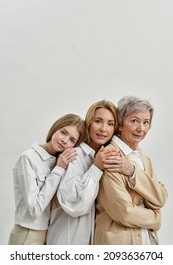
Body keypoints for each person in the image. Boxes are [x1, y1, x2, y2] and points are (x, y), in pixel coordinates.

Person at [46, 99, 134, 245]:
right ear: (89, 123)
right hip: (65, 241)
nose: (103, 129)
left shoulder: (104, 155)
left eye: (110, 124)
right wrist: (95, 168)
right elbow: (74, 204)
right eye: (98, 121)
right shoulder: (74, 154)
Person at [94, 95, 168, 245]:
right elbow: (124, 213)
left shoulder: (143, 158)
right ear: (120, 124)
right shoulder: (110, 156)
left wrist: (133, 172)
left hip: (147, 240)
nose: (141, 128)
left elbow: (160, 198)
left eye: (146, 122)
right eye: (134, 121)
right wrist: (156, 218)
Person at [8, 113, 88, 245]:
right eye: (63, 132)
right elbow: (35, 209)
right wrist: (59, 169)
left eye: (72, 140)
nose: (65, 140)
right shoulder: (28, 158)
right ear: (55, 128)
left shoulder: (59, 161)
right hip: (28, 233)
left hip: (47, 232)